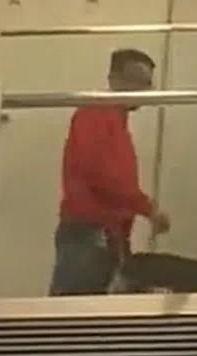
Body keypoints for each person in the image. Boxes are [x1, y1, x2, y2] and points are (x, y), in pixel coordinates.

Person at [49, 48, 172, 296]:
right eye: (134, 80)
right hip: (90, 234)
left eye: (146, 83)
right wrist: (148, 208)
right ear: (113, 78)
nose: (142, 89)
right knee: (73, 317)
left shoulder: (113, 120)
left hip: (105, 235)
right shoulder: (96, 114)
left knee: (86, 315)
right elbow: (103, 174)